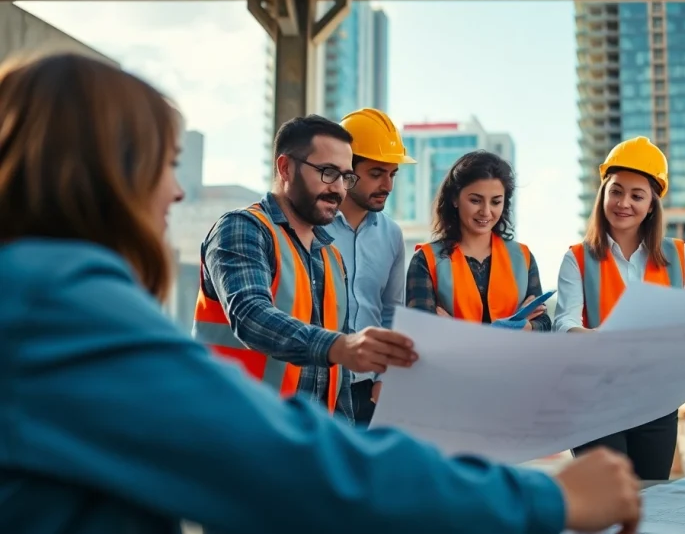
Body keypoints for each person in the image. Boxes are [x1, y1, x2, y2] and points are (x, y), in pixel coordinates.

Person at [0, 52, 642, 534]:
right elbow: (275, 434)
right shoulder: (55, 305)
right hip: (259, 445)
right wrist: (549, 499)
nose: (175, 190)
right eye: (165, 163)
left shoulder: (326, 255)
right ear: (103, 170)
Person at [193, 114, 407, 421]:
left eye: (346, 177)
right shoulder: (242, 229)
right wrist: (340, 346)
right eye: (327, 172)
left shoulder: (330, 256)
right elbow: (250, 314)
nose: (338, 189)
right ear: (285, 168)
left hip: (305, 438)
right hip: (238, 427)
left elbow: (335, 380)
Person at [552, 136, 685, 480]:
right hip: (594, 402)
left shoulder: (678, 257)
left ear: (651, 205)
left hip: (656, 402)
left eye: (637, 195)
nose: (624, 203)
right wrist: (605, 342)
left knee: (651, 501)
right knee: (610, 495)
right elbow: (564, 324)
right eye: (616, 191)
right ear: (603, 193)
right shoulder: (577, 258)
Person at [324, 108, 415, 427]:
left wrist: (383, 378)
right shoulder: (312, 228)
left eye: (393, 174)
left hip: (368, 392)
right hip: (318, 384)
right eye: (377, 173)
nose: (388, 185)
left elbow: (391, 312)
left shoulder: (392, 235)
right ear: (347, 170)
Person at [406, 150, 550, 330]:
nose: (486, 211)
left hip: (512, 358)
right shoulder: (426, 260)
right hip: (450, 359)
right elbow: (421, 330)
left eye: (496, 202)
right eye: (475, 200)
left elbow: (543, 323)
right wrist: (514, 327)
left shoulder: (523, 257)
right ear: (455, 199)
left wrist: (524, 326)